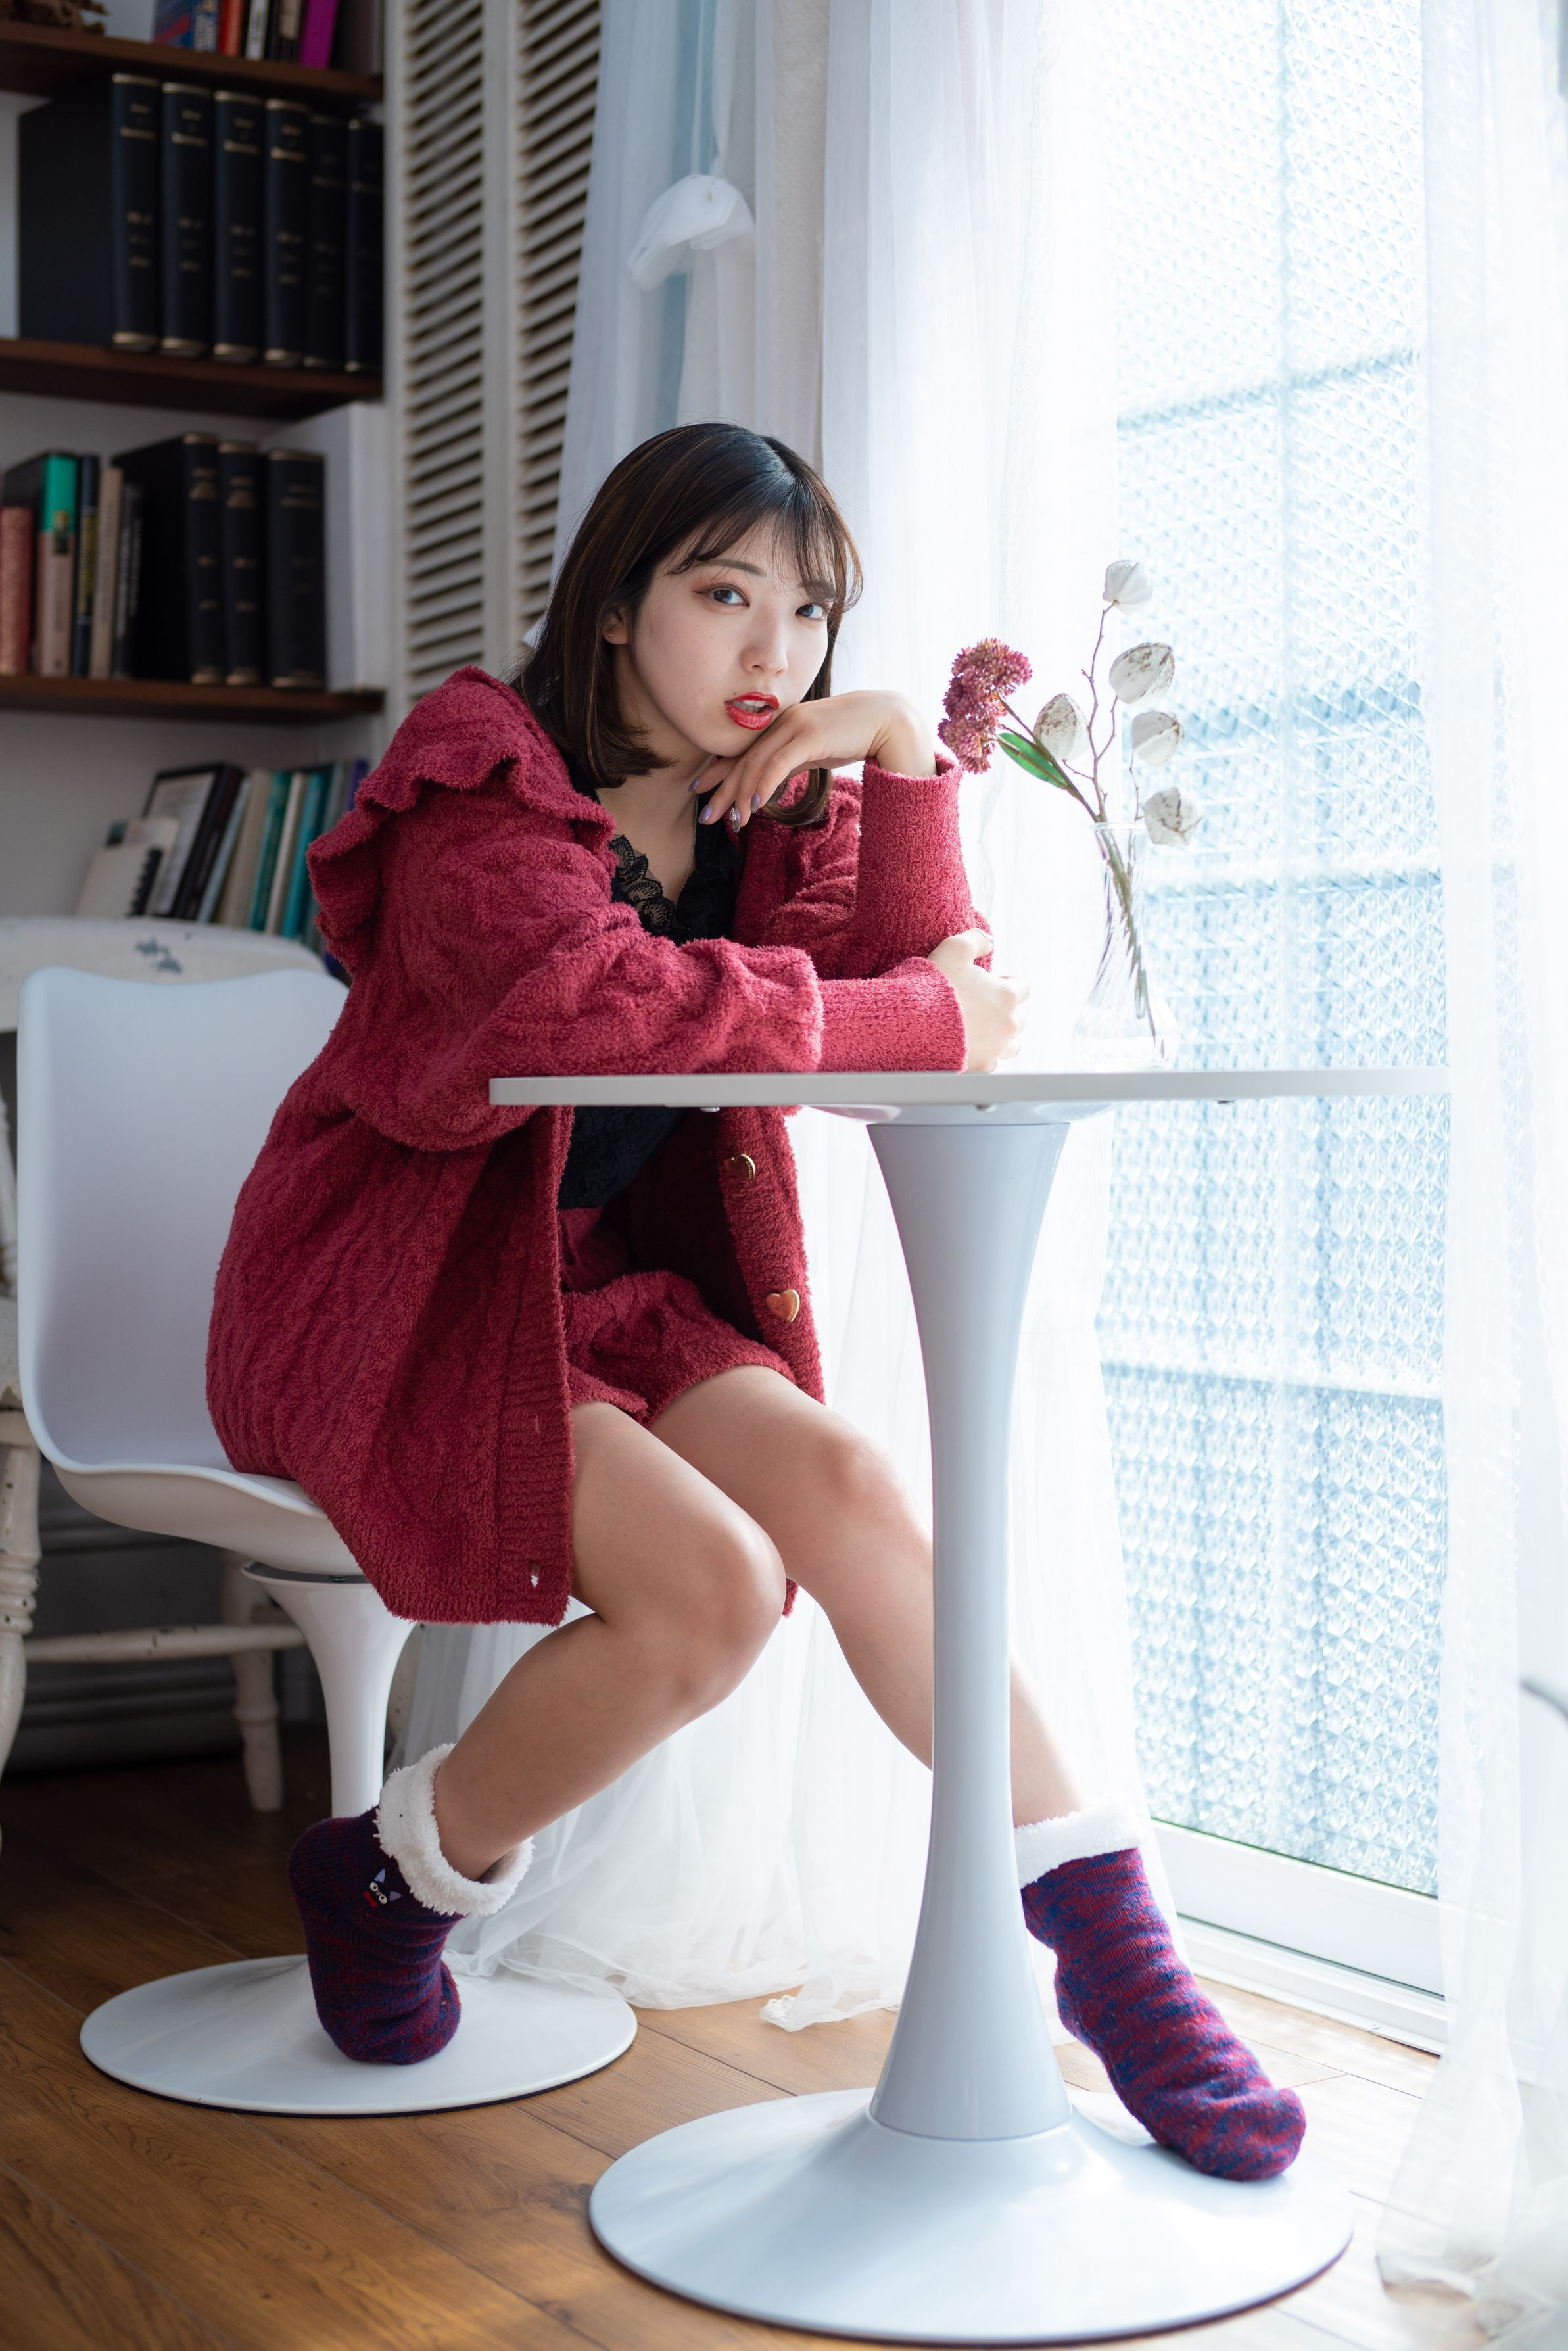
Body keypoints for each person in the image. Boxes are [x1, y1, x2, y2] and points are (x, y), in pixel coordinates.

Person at [208, 421, 1302, 2181]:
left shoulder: (770, 795)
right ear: (617, 599)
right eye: (724, 595)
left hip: (612, 1292)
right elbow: (587, 1007)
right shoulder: (480, 771)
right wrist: (918, 1013)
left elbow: (925, 980)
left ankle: (1117, 1960)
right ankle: (392, 1880)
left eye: (806, 614)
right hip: (405, 1294)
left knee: (853, 1490)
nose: (771, 651)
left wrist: (902, 758)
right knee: (710, 1596)